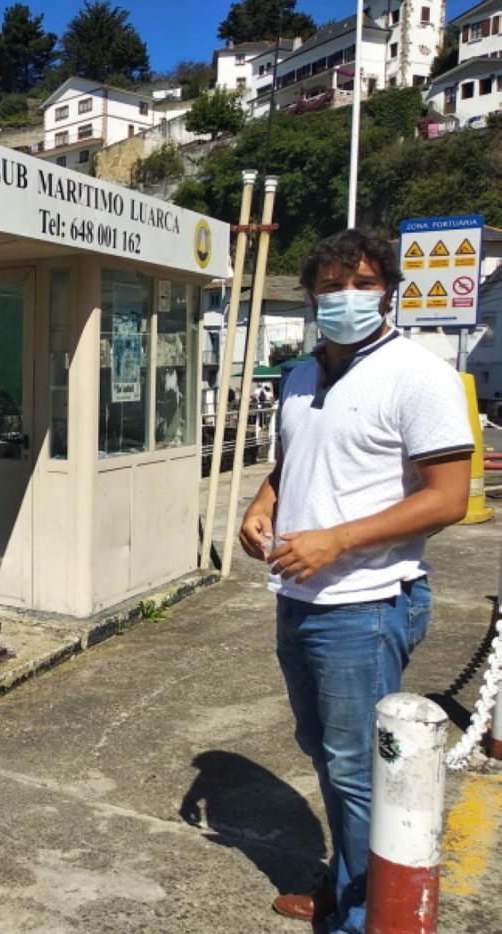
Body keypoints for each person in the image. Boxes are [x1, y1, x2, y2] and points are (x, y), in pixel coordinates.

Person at [237, 228, 472, 933]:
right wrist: (263, 502)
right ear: (311, 296)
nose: (347, 298)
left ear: (389, 291)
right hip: (299, 599)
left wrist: (335, 540)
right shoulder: (302, 375)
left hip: (365, 606)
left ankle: (369, 915)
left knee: (360, 773)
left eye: (364, 283)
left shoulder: (418, 374)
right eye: (333, 286)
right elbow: (297, 460)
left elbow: (448, 497)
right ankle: (347, 890)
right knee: (327, 755)